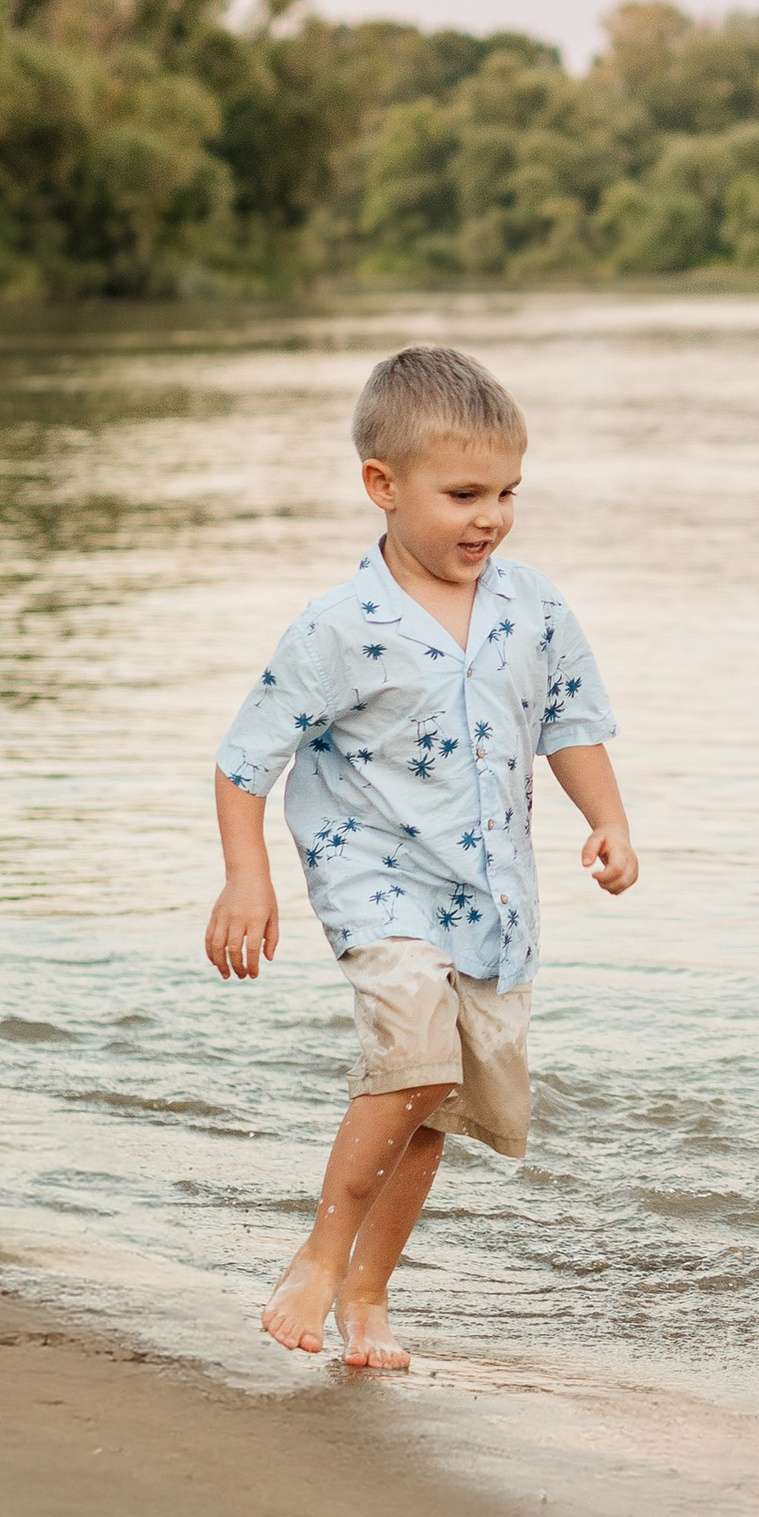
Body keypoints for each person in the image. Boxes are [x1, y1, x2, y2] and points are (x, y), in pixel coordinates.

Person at [204, 343, 637, 1369]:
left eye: (507, 492)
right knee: (411, 1053)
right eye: (463, 493)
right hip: (378, 885)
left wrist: (607, 819)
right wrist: (247, 875)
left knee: (432, 1106)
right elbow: (243, 759)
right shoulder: (340, 626)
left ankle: (368, 1290)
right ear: (382, 486)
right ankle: (317, 1255)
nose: (489, 516)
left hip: (492, 898)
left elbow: (571, 721)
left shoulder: (532, 604)